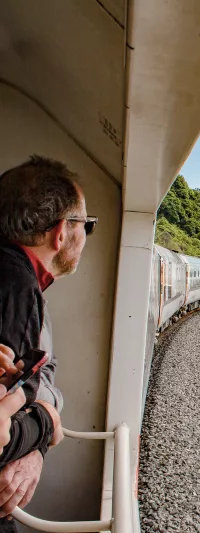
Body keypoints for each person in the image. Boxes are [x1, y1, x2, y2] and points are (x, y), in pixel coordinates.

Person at [0, 156, 95, 528]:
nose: (85, 236)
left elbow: (39, 375)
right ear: (60, 232)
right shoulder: (18, 288)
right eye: (87, 225)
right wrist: (46, 422)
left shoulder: (26, 282)